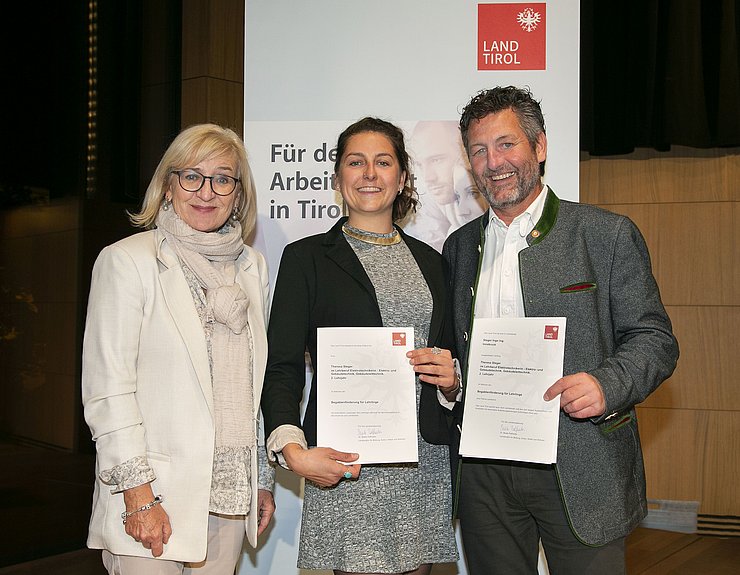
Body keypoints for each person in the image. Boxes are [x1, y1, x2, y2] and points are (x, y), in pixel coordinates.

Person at [442, 87, 679, 574]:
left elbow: (655, 339)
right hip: (485, 472)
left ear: (540, 146)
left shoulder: (605, 235)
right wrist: (453, 380)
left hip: (580, 462)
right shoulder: (459, 247)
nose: (494, 162)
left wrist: (605, 384)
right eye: (479, 150)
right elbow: (460, 350)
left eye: (507, 144)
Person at [261, 117, 460, 575]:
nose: (370, 173)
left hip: (421, 463)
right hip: (347, 465)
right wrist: (292, 447)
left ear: (402, 177)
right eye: (356, 162)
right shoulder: (305, 258)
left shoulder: (433, 262)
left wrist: (453, 382)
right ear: (337, 178)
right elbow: (283, 366)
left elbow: (450, 357)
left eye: (383, 162)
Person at [82, 124, 275, 574]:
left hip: (229, 499)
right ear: (168, 186)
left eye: (223, 179)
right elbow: (108, 392)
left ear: (237, 194)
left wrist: (259, 480)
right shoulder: (128, 261)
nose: (206, 191)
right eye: (192, 176)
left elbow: (254, 385)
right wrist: (137, 495)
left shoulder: (251, 268)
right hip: (154, 498)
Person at [404, 121, 485, 252]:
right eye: (420, 165)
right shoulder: (425, 203)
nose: (428, 177)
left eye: (436, 160)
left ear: (464, 154)